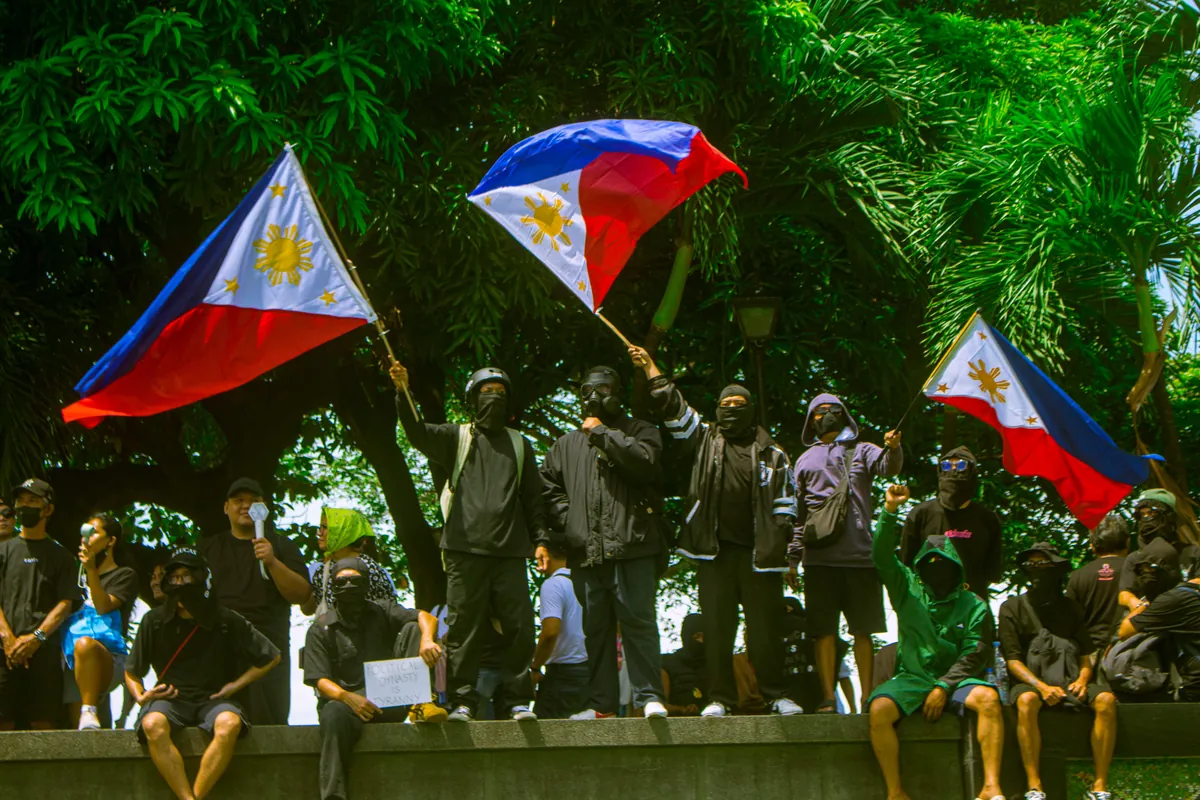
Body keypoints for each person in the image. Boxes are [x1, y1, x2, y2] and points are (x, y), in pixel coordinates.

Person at [638, 349, 802, 718]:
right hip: (713, 553)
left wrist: (783, 548)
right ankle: (720, 698)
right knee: (716, 631)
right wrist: (651, 367)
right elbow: (673, 408)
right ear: (717, 409)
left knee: (765, 633)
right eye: (725, 403)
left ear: (750, 408)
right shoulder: (704, 439)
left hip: (760, 557)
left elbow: (787, 504)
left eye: (738, 403)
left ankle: (777, 695)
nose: (731, 408)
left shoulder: (774, 453)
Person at [390, 362, 545, 722]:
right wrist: (403, 391)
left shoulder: (521, 445)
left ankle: (516, 701)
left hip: (509, 552)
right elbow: (415, 431)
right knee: (463, 630)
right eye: (486, 392)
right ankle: (462, 701)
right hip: (463, 551)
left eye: (501, 393)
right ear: (473, 398)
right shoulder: (455, 437)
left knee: (519, 627)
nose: (494, 398)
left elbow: (533, 499)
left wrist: (541, 540)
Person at [542, 365, 668, 720]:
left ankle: (648, 698)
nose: (593, 397)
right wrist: (570, 522)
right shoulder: (566, 445)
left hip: (633, 547)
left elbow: (646, 464)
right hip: (586, 553)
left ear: (618, 392)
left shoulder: (641, 431)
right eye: (586, 390)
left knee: (638, 623)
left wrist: (602, 434)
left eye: (603, 389)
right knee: (594, 632)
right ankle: (601, 706)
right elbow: (548, 488)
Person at [867, 485, 1005, 800]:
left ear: (957, 568)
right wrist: (889, 511)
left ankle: (991, 787)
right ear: (918, 566)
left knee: (989, 700)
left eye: (942, 563)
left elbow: (975, 652)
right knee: (879, 711)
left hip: (956, 681)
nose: (935, 569)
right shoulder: (907, 589)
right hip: (912, 679)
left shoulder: (973, 604)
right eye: (928, 563)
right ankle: (895, 792)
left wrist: (943, 686)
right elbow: (880, 556)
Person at [126, 547, 280, 800]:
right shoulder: (154, 621)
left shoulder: (225, 619)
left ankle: (196, 795)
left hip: (214, 699)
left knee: (229, 723)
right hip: (171, 699)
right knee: (152, 723)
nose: (180, 582)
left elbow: (272, 656)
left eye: (186, 575)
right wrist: (142, 696)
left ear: (201, 578)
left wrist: (234, 686)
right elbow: (132, 671)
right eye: (174, 577)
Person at [792, 394, 902, 712]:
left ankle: (868, 699)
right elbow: (798, 516)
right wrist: (792, 559)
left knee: (863, 631)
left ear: (846, 416)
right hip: (819, 560)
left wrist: (893, 447)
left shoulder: (864, 450)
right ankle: (828, 697)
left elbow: (889, 467)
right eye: (820, 412)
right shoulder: (803, 460)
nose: (827, 416)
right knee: (822, 632)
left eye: (835, 411)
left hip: (860, 559)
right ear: (811, 420)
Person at [304, 556, 445, 800]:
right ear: (333, 586)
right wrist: (348, 698)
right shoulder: (321, 628)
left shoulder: (383, 608)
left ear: (367, 583)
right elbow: (319, 679)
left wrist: (427, 639)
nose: (348, 586)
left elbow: (427, 617)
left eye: (355, 580)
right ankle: (334, 795)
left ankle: (421, 703)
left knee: (414, 627)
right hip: (348, 704)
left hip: (391, 695)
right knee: (332, 713)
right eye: (342, 581)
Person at [998, 543, 1116, 800]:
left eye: (1043, 564)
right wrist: (1041, 687)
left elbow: (1086, 654)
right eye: (1031, 565)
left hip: (1070, 675)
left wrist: (1083, 680)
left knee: (1106, 700)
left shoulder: (1071, 607)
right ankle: (1035, 786)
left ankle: (1099, 786)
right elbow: (1013, 660)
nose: (1037, 570)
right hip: (1033, 682)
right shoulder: (1011, 608)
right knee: (1026, 701)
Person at [200, 478, 310, 725]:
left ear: (265, 508)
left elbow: (302, 594)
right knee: (218, 720)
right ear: (226, 507)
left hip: (270, 648)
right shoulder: (208, 548)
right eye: (239, 500)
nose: (246, 506)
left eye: (253, 501)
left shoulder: (281, 545)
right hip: (220, 646)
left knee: (269, 721)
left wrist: (271, 561)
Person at [0, 479, 81, 730]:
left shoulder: (63, 557)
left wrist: (35, 639)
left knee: (43, 722)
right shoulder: (3, 551)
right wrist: (8, 639)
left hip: (44, 652)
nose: (25, 506)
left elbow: (66, 603)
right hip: (4, 652)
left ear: (48, 510)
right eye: (21, 502)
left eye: (33, 501)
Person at [898, 447, 1002, 600]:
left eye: (960, 466)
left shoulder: (987, 519)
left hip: (972, 607)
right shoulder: (921, 514)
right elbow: (905, 566)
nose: (953, 472)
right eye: (946, 466)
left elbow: (993, 572)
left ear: (972, 472)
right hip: (928, 606)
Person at [66, 514, 139, 730]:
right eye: (84, 533)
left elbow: (103, 606)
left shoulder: (124, 575)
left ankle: (89, 709)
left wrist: (91, 571)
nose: (86, 538)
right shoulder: (73, 574)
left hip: (108, 656)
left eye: (94, 532)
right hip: (71, 659)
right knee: (80, 730)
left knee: (86, 645)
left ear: (111, 541)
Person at [1118, 538, 1200, 702]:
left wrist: (1141, 604)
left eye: (1151, 568)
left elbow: (1124, 631)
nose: (1146, 575)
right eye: (1142, 570)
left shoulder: (1171, 600)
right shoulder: (1190, 591)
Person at [530, 543, 589, 719]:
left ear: (545, 554)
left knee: (545, 738)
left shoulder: (553, 585)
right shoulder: (588, 582)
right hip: (592, 671)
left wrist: (535, 667)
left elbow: (550, 632)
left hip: (563, 675)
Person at [1118, 489, 1200, 611]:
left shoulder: (1192, 552)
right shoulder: (1135, 558)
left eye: (1152, 513)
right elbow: (1124, 593)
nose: (1146, 518)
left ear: (1169, 517)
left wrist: (1181, 590)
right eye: (1142, 514)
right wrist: (1133, 602)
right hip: (1151, 620)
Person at [304, 508, 396, 615]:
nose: (319, 533)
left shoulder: (368, 568)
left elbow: (388, 612)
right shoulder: (322, 570)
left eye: (325, 527)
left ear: (342, 531)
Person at [1067, 515, 1130, 650]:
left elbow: (1069, 621)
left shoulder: (1077, 576)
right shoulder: (1137, 570)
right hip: (1128, 650)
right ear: (1127, 542)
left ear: (1093, 546)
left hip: (1089, 654)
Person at [660, 613, 707, 716]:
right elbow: (660, 705)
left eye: (705, 637)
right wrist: (681, 709)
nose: (701, 641)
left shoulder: (714, 666)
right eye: (697, 636)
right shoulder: (667, 664)